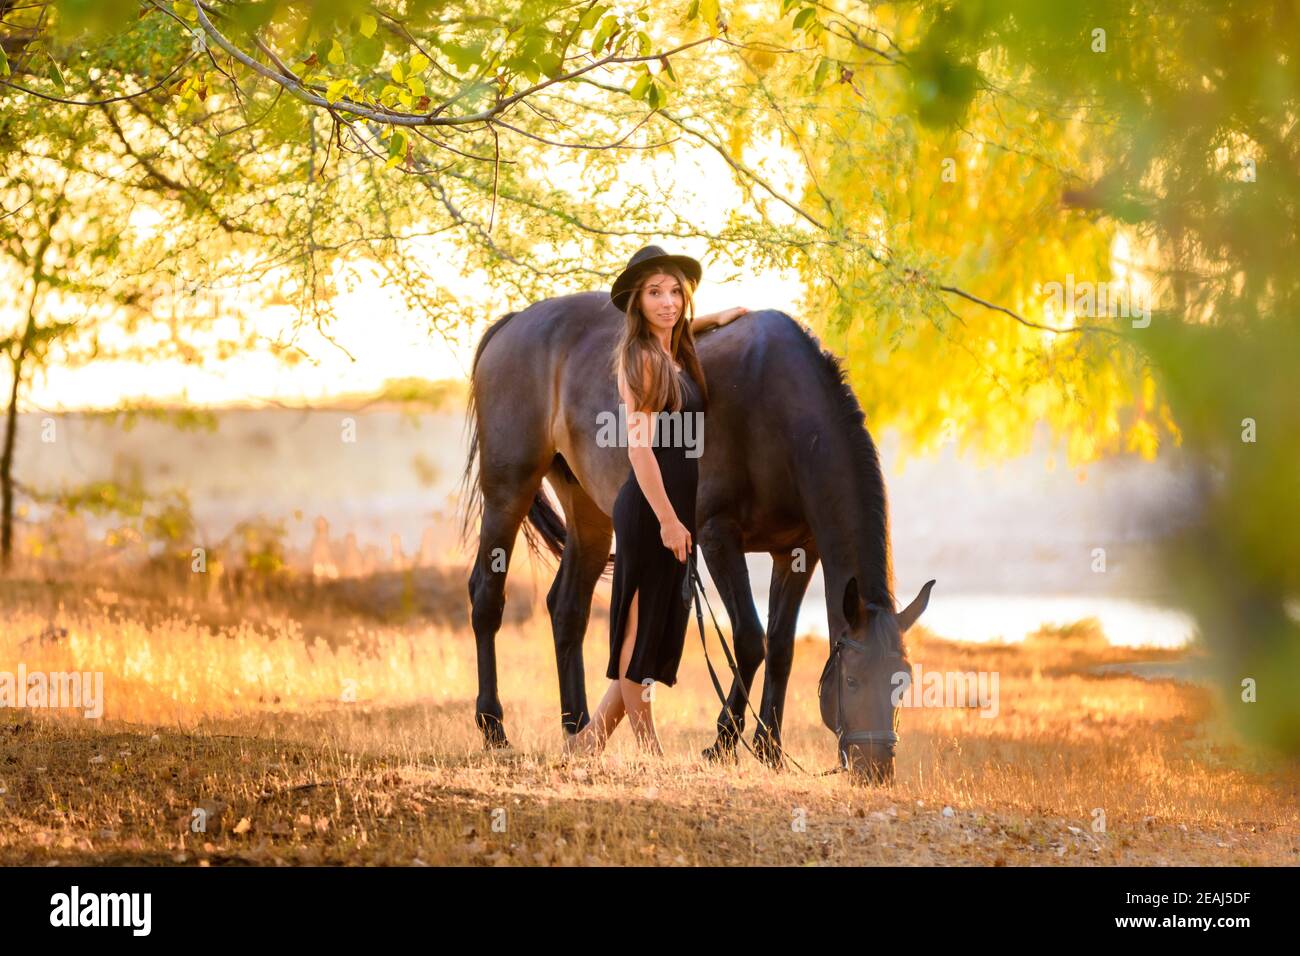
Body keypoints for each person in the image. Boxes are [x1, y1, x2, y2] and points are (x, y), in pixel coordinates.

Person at [565, 245, 748, 756]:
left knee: (651, 631)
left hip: (672, 508)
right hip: (649, 509)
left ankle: (587, 746)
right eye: (655, 293)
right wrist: (669, 521)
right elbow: (639, 447)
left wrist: (718, 318)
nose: (668, 302)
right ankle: (651, 757)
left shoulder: (675, 348)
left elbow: (684, 327)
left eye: (675, 292)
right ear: (637, 302)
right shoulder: (641, 360)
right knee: (638, 635)